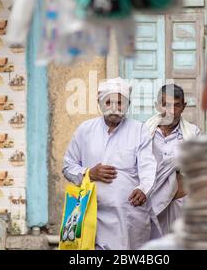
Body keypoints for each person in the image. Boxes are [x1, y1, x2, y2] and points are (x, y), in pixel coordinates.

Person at [62, 77, 157, 249]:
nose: (114, 108)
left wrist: (144, 189)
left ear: (127, 105)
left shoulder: (139, 130)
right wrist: (89, 173)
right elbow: (68, 167)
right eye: (109, 102)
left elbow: (148, 166)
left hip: (127, 217)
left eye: (120, 103)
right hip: (91, 216)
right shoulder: (85, 130)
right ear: (100, 103)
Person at [146, 84, 201, 238]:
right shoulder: (144, 132)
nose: (171, 111)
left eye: (176, 105)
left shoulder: (192, 133)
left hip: (180, 201)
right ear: (158, 105)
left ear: (183, 107)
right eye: (166, 105)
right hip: (151, 202)